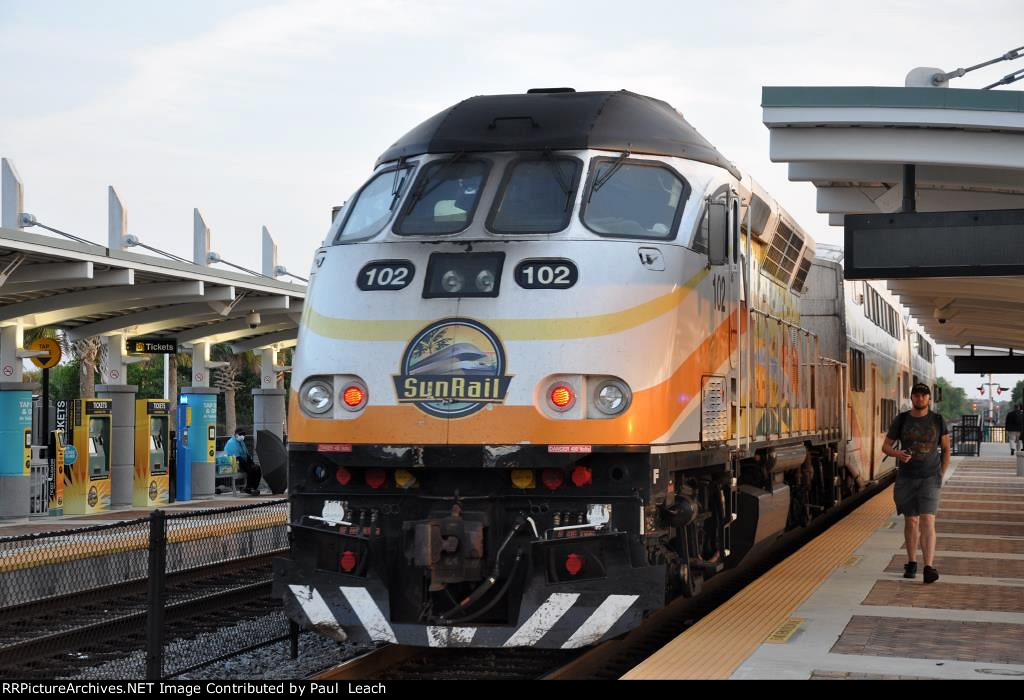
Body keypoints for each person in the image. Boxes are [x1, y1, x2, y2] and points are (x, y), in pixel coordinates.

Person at [882, 383, 950, 584]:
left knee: (928, 520)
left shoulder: (937, 420)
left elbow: (946, 449)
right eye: (916, 395)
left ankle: (928, 567)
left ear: (929, 398)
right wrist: (898, 454)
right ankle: (912, 562)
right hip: (906, 478)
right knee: (911, 521)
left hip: (930, 477)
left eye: (923, 395)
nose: (920, 398)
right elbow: (885, 447)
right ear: (911, 398)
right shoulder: (902, 419)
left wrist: (941, 474)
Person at [225, 428, 261, 495]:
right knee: (251, 469)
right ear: (236, 434)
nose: (242, 436)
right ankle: (248, 487)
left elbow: (246, 454)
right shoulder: (231, 443)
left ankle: (254, 487)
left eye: (244, 435)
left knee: (257, 468)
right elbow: (236, 457)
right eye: (241, 434)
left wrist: (251, 462)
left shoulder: (241, 442)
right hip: (235, 463)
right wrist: (249, 465)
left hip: (242, 462)